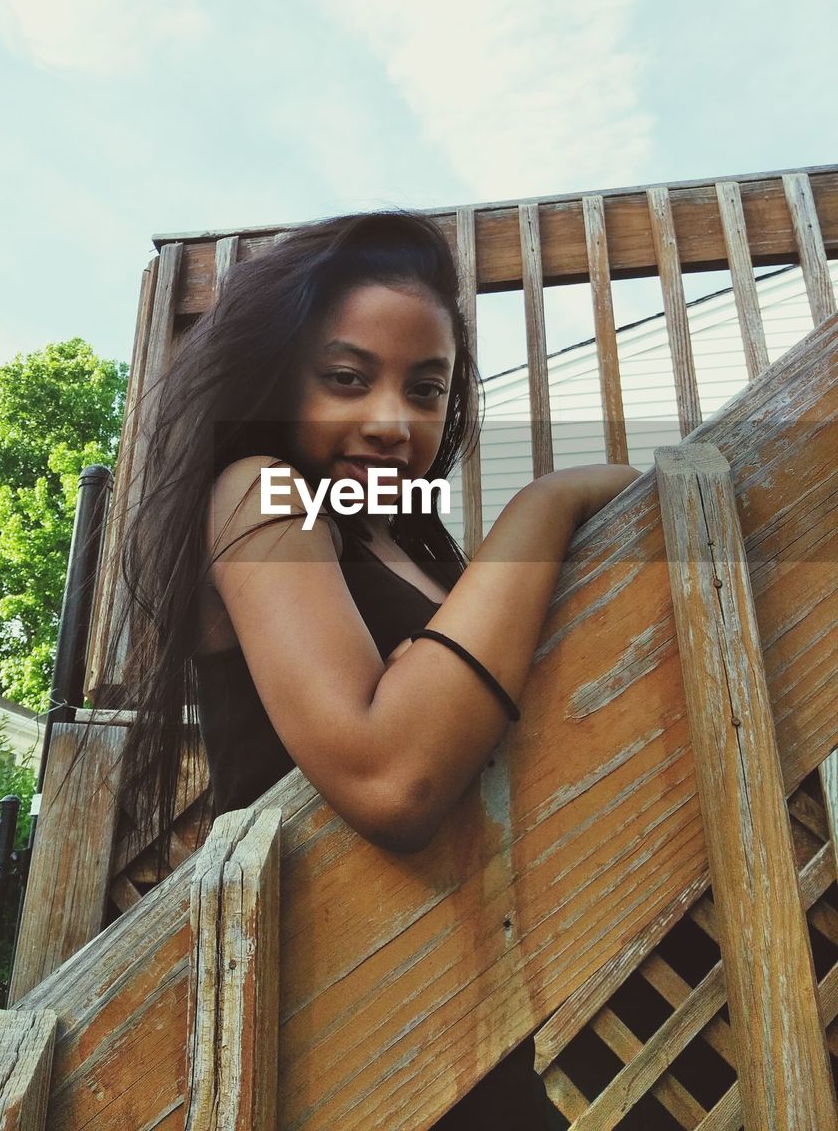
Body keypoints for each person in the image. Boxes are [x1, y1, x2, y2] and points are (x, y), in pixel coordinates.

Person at [108, 210, 640, 1128]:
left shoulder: (415, 546)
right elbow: (394, 771)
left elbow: (471, 724)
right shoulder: (259, 491)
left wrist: (431, 682)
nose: (394, 422)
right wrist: (548, 503)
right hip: (361, 1018)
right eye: (347, 379)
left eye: (426, 390)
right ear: (277, 377)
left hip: (488, 980)